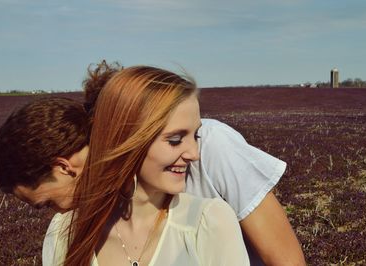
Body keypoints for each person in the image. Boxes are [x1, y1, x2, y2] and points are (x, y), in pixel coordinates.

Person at [0, 62, 305, 265]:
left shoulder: (212, 148)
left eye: (46, 203)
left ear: (63, 166)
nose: (58, 212)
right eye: (175, 139)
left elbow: (287, 260)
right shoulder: (74, 230)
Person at [45, 65, 250, 265]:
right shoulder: (66, 232)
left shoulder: (209, 222)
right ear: (126, 140)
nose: (194, 154)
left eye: (195, 135)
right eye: (175, 140)